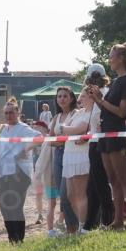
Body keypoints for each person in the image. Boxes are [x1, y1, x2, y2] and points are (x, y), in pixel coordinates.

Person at [91, 43, 126, 230]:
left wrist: (101, 101)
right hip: (105, 134)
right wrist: (97, 99)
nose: (109, 59)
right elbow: (108, 109)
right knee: (113, 179)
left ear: (121, 58)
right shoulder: (116, 81)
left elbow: (122, 112)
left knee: (124, 177)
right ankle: (118, 220)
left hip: (117, 134)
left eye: (112, 56)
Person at [0, 98, 40, 243]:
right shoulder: (4, 129)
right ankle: (12, 239)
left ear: (18, 113)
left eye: (11, 113)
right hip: (5, 172)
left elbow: (39, 138)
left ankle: (18, 239)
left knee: (15, 206)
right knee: (4, 207)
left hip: (19, 172)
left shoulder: (23, 128)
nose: (8, 116)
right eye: (6, 113)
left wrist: (25, 149)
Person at [82, 64, 114, 230]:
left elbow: (105, 113)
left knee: (100, 184)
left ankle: (108, 219)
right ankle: (90, 224)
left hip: (101, 141)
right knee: (92, 186)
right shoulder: (94, 94)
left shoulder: (105, 93)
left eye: (95, 78)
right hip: (94, 140)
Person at [60, 88, 95, 233]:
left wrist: (64, 129)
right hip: (69, 154)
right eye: (80, 96)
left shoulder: (91, 113)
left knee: (80, 193)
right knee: (70, 194)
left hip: (80, 156)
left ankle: (82, 226)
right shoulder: (79, 112)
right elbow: (61, 129)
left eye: (84, 97)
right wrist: (65, 129)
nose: (80, 100)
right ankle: (82, 222)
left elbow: (80, 129)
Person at [49, 86, 80, 235]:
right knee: (63, 194)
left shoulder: (76, 114)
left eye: (65, 96)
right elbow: (50, 140)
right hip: (58, 156)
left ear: (71, 98)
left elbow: (72, 138)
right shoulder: (56, 117)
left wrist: (60, 141)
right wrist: (60, 141)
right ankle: (70, 227)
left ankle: (73, 226)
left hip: (71, 155)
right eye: (59, 96)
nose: (61, 99)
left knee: (68, 192)